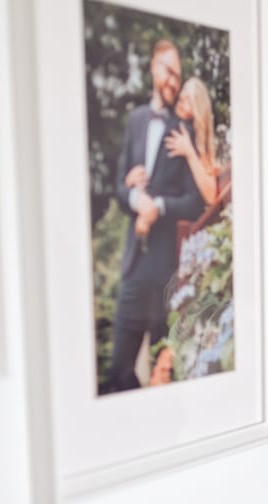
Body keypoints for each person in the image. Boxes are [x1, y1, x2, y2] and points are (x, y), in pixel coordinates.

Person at [107, 39, 204, 393]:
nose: (173, 81)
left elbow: (194, 202)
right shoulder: (134, 122)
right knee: (119, 371)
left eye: (178, 75)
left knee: (164, 377)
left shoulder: (184, 131)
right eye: (168, 71)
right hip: (135, 265)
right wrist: (134, 198)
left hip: (166, 272)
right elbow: (119, 187)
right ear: (153, 67)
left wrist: (157, 206)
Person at [164, 77, 224, 208]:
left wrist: (190, 153)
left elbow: (211, 196)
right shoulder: (171, 126)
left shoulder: (197, 145)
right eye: (182, 95)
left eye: (189, 100)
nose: (181, 100)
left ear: (198, 109)